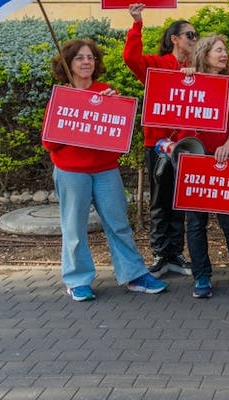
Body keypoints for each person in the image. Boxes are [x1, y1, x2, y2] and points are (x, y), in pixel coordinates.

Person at [43, 38, 169, 301]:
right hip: (71, 171)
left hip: (105, 170)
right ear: (68, 64)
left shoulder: (107, 91)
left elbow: (117, 136)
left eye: (91, 57)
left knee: (119, 224)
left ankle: (134, 275)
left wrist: (114, 106)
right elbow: (49, 142)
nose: (87, 62)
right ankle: (77, 280)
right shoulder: (63, 95)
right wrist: (76, 107)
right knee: (74, 228)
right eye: (80, 58)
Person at [181, 35, 229, 298]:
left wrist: (228, 145)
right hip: (194, 161)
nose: (224, 54)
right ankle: (202, 277)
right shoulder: (190, 82)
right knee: (195, 224)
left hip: (224, 160)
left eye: (225, 50)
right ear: (204, 55)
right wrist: (187, 76)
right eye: (218, 50)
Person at [122, 3, 196, 277]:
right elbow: (131, 58)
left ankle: (176, 253)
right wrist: (137, 23)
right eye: (190, 34)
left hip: (188, 145)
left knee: (180, 200)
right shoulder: (157, 64)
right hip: (159, 144)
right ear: (175, 39)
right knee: (159, 200)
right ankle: (159, 253)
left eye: (195, 35)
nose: (194, 39)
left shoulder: (198, 67)